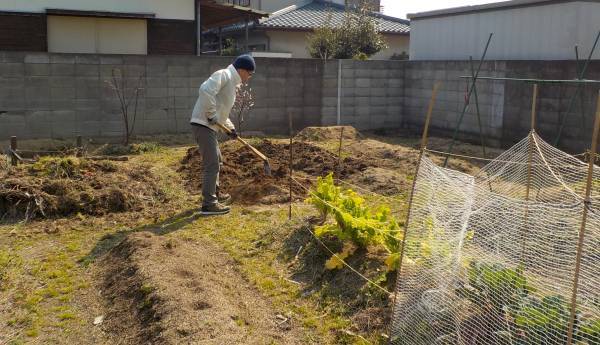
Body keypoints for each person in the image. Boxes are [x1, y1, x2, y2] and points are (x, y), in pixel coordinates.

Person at [190, 54, 255, 215]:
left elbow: (222, 112)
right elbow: (205, 90)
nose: (249, 77)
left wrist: (230, 128)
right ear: (241, 69)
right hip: (203, 124)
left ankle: (215, 195)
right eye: (249, 73)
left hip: (209, 126)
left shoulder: (232, 84)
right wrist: (211, 114)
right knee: (211, 164)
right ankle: (209, 204)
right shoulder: (224, 75)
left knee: (217, 161)